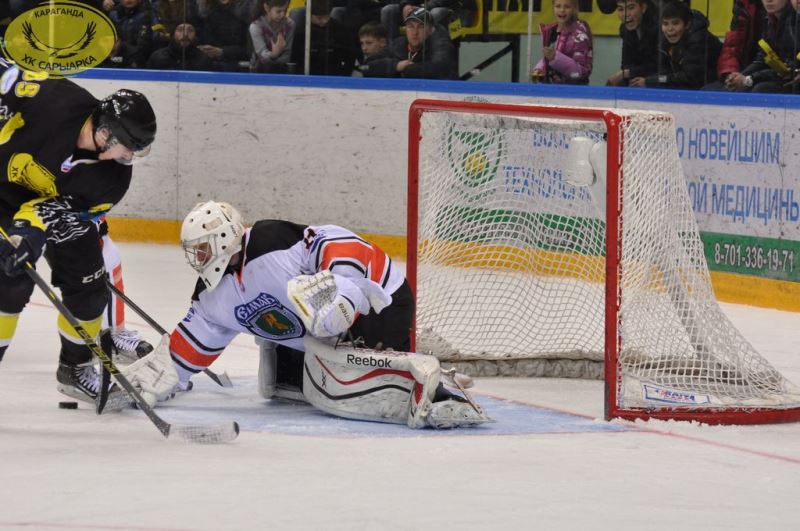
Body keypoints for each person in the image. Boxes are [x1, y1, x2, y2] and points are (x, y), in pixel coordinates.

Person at [161, 200, 489, 429]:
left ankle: (440, 389)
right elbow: (188, 349)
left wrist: (343, 291)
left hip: (381, 303)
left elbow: (339, 239)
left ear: (222, 239)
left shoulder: (269, 240)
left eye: (202, 248)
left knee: (364, 389)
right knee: (294, 382)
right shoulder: (210, 297)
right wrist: (155, 377)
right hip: (324, 337)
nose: (198, 258)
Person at [0, 59, 157, 403]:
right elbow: (6, 75)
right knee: (10, 280)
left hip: (45, 208)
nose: (129, 157)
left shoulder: (113, 180)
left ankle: (75, 369)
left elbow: (60, 214)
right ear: (106, 133)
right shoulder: (55, 98)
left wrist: (29, 231)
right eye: (128, 147)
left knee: (90, 287)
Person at [631, 0, 721, 89]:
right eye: (665, 24)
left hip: (710, 88)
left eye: (675, 23)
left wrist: (650, 81)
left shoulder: (698, 39)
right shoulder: (664, 42)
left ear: (687, 24)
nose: (670, 29)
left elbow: (689, 78)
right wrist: (650, 80)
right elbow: (665, 74)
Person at [728, 0, 798, 93]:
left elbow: (790, 67)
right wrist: (739, 76)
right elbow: (763, 58)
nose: (768, 0)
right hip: (783, 76)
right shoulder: (768, 19)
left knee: (760, 89)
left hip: (791, 79)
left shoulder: (794, 20)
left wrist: (750, 79)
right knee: (731, 88)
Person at [531, 0, 593, 85]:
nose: (562, 10)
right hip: (552, 89)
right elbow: (549, 56)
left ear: (575, 8)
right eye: (558, 6)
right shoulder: (551, 30)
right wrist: (540, 68)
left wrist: (555, 58)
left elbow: (582, 72)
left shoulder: (580, 35)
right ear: (553, 7)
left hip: (573, 91)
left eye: (567, 7)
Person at [291, 0, 359, 76]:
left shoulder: (339, 29)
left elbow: (350, 55)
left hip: (334, 74)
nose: (324, 21)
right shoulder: (301, 30)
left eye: (327, 16)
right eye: (319, 18)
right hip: (307, 75)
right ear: (309, 15)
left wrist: (342, 76)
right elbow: (295, 59)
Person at [387, 7, 458, 79]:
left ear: (431, 30)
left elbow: (441, 67)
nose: (415, 32)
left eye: (421, 27)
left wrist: (408, 69)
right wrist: (396, 65)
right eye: (410, 26)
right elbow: (379, 62)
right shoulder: (399, 43)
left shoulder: (441, 44)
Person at [607, 0, 658, 86]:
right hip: (639, 77)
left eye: (631, 8)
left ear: (643, 8)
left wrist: (628, 73)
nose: (626, 14)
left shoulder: (660, 27)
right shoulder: (624, 29)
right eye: (620, 9)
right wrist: (625, 75)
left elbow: (660, 67)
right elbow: (626, 64)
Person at [196, 0, 251, 71]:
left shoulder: (243, 14)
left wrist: (223, 51)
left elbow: (248, 50)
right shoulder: (208, 14)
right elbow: (206, 41)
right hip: (212, 63)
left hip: (238, 64)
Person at [249, 0, 295, 73]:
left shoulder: (289, 24)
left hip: (281, 69)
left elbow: (287, 55)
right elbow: (262, 56)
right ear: (266, 8)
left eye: (285, 10)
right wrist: (273, 54)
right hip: (259, 70)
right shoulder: (256, 27)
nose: (283, 14)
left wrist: (277, 59)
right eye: (278, 11)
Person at [146, 22, 214, 70]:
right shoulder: (157, 57)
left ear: (196, 36)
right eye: (180, 30)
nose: (185, 34)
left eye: (190, 30)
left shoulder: (203, 59)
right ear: (173, 34)